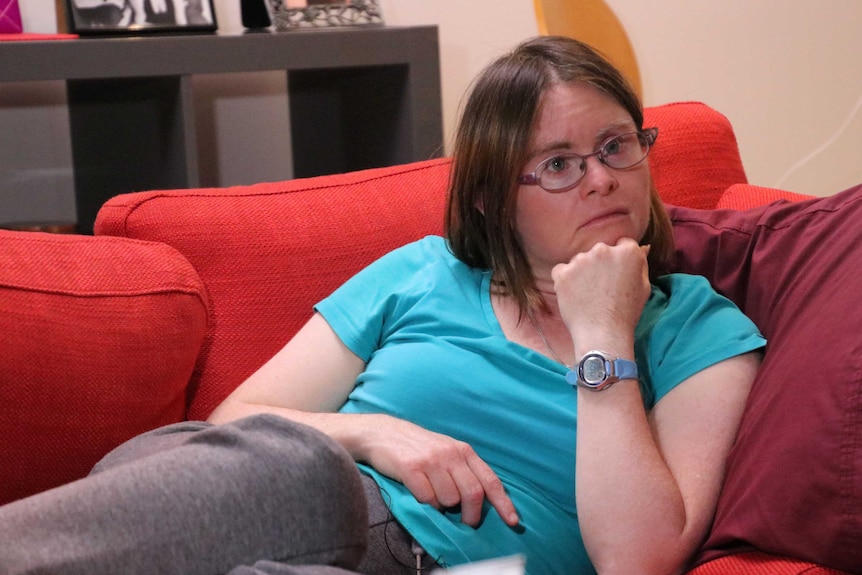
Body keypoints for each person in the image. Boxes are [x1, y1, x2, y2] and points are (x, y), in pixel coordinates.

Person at [0, 36, 764, 575]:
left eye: (616, 146)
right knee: (299, 471)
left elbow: (637, 557)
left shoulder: (697, 326)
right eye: (559, 163)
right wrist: (376, 434)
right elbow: (237, 422)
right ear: (493, 199)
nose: (600, 179)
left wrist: (603, 330)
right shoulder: (425, 273)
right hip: (278, 494)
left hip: (441, 563)